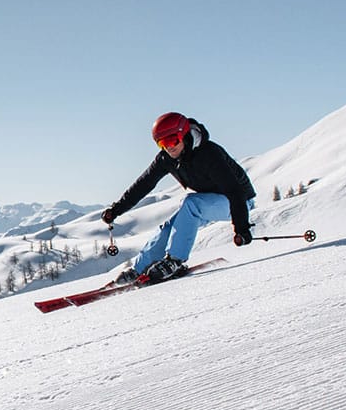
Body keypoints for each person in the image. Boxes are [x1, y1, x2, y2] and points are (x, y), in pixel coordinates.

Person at [99, 112, 258, 285]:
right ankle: (140, 269)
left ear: (183, 135)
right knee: (170, 227)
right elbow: (143, 185)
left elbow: (235, 191)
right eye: (162, 143)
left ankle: (174, 261)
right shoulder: (166, 158)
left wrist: (242, 228)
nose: (169, 147)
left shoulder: (209, 153)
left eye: (172, 140)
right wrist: (116, 210)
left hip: (239, 202)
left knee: (190, 203)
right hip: (207, 202)